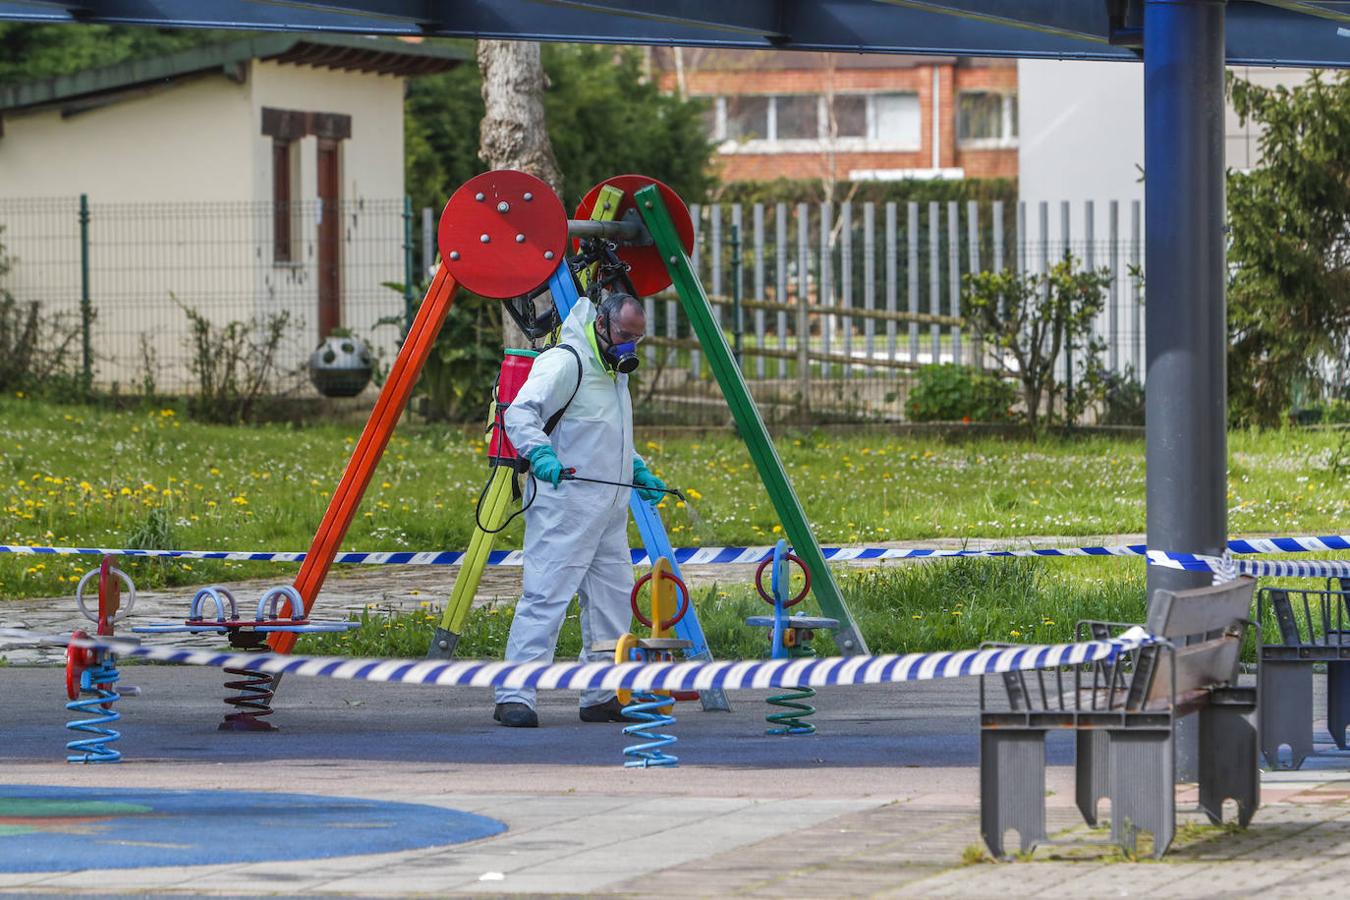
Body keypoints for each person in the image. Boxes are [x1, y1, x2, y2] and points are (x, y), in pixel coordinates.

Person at [493, 291, 668, 727]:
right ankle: (515, 694)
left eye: (638, 339)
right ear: (603, 324)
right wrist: (540, 455)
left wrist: (637, 468)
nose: (630, 346)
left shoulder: (614, 371)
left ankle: (603, 692)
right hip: (565, 507)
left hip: (609, 509)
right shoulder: (566, 362)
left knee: (612, 600)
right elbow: (520, 414)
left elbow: (606, 430)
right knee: (546, 597)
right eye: (625, 335)